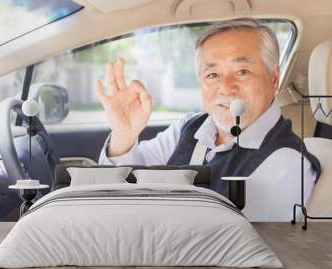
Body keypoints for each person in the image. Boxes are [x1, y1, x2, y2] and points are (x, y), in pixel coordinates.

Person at [95, 18, 321, 221]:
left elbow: (228, 247)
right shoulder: (190, 127)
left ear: (273, 78)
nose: (226, 88)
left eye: (242, 71)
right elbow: (120, 192)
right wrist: (124, 136)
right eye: (212, 74)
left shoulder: (286, 164)